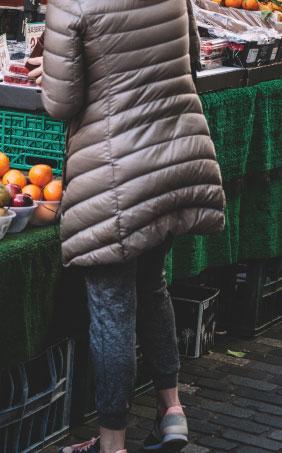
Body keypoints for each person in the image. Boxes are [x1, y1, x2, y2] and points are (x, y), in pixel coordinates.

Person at [27, 0, 225, 452]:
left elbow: (61, 104)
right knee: (151, 285)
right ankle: (171, 409)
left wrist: (48, 74)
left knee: (111, 307)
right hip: (175, 152)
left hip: (117, 173)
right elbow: (192, 61)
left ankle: (112, 444)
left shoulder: (70, 5)